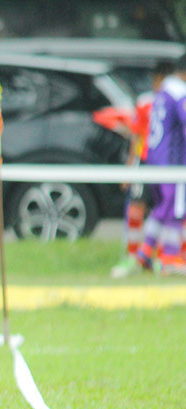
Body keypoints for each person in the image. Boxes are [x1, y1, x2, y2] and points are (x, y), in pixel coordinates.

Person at [110, 60, 176, 278]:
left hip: (167, 164)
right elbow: (136, 135)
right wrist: (130, 169)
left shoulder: (176, 100)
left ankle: (159, 256)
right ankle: (133, 256)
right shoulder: (145, 102)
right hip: (145, 161)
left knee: (167, 209)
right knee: (135, 208)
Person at [131, 54, 186, 275]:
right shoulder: (179, 92)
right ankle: (170, 257)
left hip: (154, 159)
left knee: (162, 208)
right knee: (175, 208)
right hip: (172, 161)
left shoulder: (162, 92)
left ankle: (145, 252)